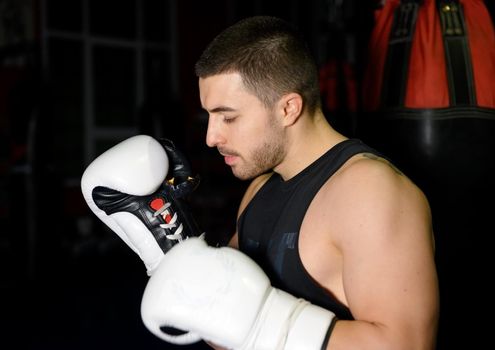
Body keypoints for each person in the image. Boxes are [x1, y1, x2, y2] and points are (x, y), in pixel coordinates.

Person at [82, 15, 439, 350]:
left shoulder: (370, 192)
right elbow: (225, 332)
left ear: (288, 109)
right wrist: (172, 251)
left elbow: (406, 344)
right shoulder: (258, 189)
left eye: (228, 117)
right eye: (209, 116)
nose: (210, 137)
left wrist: (265, 321)